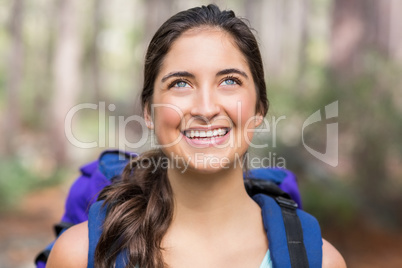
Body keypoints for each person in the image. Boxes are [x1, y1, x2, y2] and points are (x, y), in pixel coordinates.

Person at [47, 4, 346, 268]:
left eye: (229, 81)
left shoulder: (320, 261)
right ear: (149, 113)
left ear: (259, 110)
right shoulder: (81, 255)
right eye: (180, 84)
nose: (205, 108)